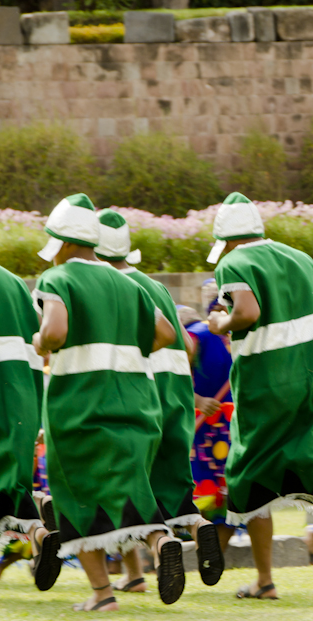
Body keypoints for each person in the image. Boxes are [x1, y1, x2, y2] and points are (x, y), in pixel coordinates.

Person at [33, 193, 184, 611]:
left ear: (61, 244)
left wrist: (40, 341)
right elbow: (167, 334)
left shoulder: (58, 279)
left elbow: (56, 332)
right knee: (131, 486)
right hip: (137, 401)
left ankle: (102, 594)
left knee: (77, 493)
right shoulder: (127, 282)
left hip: (79, 403)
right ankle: (162, 539)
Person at [205, 192, 313, 600]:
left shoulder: (234, 262)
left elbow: (246, 313)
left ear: (227, 241)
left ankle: (265, 581)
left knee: (251, 476)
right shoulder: (300, 257)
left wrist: (218, 323)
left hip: (266, 386)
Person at [94, 210, 224, 590]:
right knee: (171, 486)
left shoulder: (103, 286)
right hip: (176, 399)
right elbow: (185, 343)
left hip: (138, 397)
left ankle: (141, 564)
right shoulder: (158, 288)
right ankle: (198, 527)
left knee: (124, 482)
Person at [0, 206, 61, 599]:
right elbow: (37, 346)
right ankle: (39, 531)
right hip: (18, 397)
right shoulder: (11, 281)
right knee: (9, 481)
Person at [177, 300, 236, 554]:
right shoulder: (227, 338)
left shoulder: (193, 336)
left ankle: (207, 555)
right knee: (226, 493)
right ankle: (213, 556)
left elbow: (173, 378)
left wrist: (197, 400)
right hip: (230, 429)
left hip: (204, 431)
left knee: (206, 492)